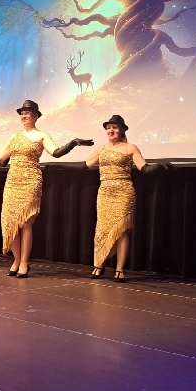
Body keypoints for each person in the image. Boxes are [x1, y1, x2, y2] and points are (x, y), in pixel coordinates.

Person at [0, 100, 93, 277]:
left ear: (35, 116)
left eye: (27, 113)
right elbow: (1, 157)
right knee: (9, 222)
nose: (24, 116)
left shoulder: (42, 135)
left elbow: (56, 153)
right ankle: (17, 259)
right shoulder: (14, 136)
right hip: (12, 181)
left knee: (25, 223)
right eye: (22, 113)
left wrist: (73, 143)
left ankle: (24, 263)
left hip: (31, 180)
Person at [83, 115, 165, 282]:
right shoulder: (101, 149)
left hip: (123, 192)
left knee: (121, 231)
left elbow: (143, 167)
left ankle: (120, 269)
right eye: (108, 128)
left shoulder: (130, 148)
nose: (111, 130)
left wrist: (160, 167)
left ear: (122, 130)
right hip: (104, 192)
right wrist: (59, 166)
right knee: (102, 230)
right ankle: (99, 265)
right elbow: (85, 165)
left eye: (114, 127)